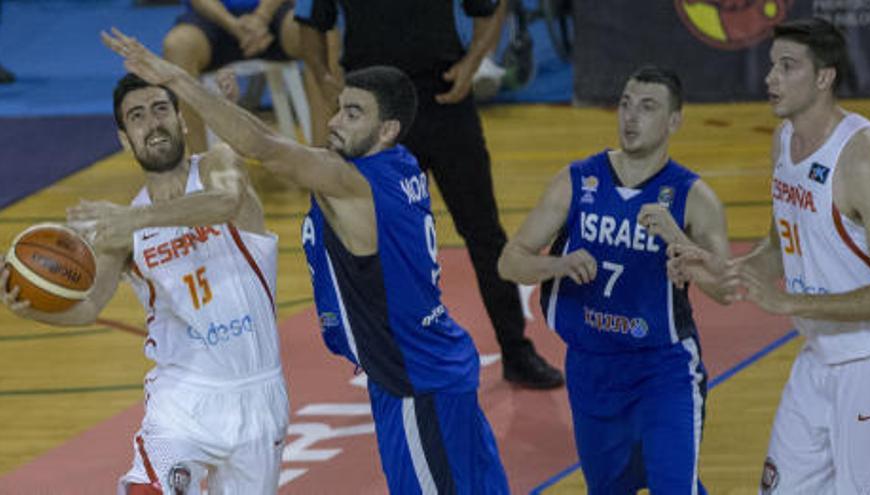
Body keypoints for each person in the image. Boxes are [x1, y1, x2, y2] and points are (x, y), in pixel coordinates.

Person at [102, 28, 511, 494]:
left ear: (387, 130)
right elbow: (261, 145)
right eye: (338, 107)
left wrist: (176, 78)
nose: (335, 120)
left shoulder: (351, 182)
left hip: (414, 381)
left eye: (352, 113)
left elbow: (265, 147)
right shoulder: (400, 164)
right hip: (433, 367)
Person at [0, 72, 288, 494]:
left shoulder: (216, 168)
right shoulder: (124, 228)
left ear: (181, 120)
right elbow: (87, 309)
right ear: (124, 138)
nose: (152, 123)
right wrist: (29, 305)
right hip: (182, 397)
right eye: (137, 116)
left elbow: (226, 203)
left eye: (160, 110)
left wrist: (135, 220)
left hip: (258, 390)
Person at [293, 0, 564, 389]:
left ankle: (516, 350)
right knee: (376, 245)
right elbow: (308, 22)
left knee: (483, 232)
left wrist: (472, 63)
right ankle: (389, 360)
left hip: (442, 102)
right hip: (374, 116)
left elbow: (490, 6)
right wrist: (322, 76)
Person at [669, 17, 870, 494]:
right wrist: (719, 268)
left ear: (824, 77)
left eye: (788, 67)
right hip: (817, 357)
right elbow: (783, 249)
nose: (770, 79)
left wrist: (792, 304)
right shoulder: (784, 141)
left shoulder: (864, 156)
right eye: (771, 66)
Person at [497, 66, 730, 493]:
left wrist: (678, 240)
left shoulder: (694, 197)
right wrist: (557, 266)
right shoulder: (577, 181)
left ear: (674, 121)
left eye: (647, 107)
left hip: (664, 368)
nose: (631, 117)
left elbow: (726, 288)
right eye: (625, 104)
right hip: (592, 367)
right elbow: (509, 262)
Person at [163, 0, 339, 151]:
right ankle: (198, 171)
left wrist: (261, 17)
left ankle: (325, 157)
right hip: (211, 18)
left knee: (322, 31)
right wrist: (233, 25)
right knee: (177, 46)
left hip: (273, 13)